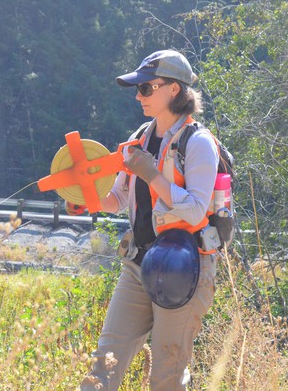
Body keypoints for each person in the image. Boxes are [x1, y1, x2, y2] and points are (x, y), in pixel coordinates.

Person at [79, 50, 219, 390]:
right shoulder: (141, 135)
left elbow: (197, 209)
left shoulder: (198, 142)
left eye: (146, 88)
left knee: (167, 377)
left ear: (174, 89)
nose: (139, 96)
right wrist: (85, 198)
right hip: (138, 262)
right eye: (138, 89)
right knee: (103, 369)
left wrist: (152, 174)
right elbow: (119, 199)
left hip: (185, 270)